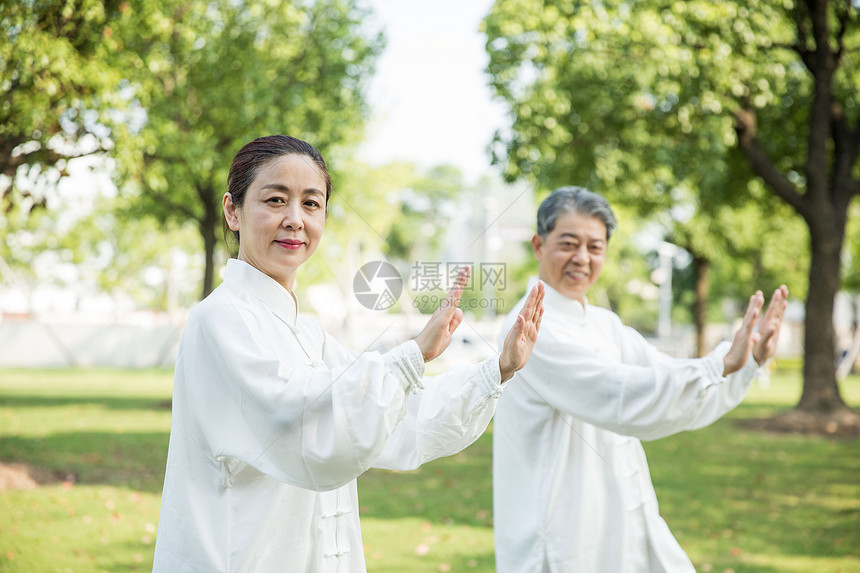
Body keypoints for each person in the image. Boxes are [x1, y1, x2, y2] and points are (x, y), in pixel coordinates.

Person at [152, 134, 545, 572]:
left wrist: (498, 370)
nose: (295, 220)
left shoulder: (309, 332)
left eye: (311, 203)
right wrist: (413, 353)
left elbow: (401, 416)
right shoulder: (218, 319)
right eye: (276, 200)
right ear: (233, 211)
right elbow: (299, 418)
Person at [493, 186, 788, 573]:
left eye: (595, 247)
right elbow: (618, 394)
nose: (582, 258)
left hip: (619, 517)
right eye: (569, 243)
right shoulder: (532, 331)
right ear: (538, 245)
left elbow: (667, 381)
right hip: (560, 534)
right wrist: (719, 365)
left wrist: (745, 359)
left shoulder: (603, 324)